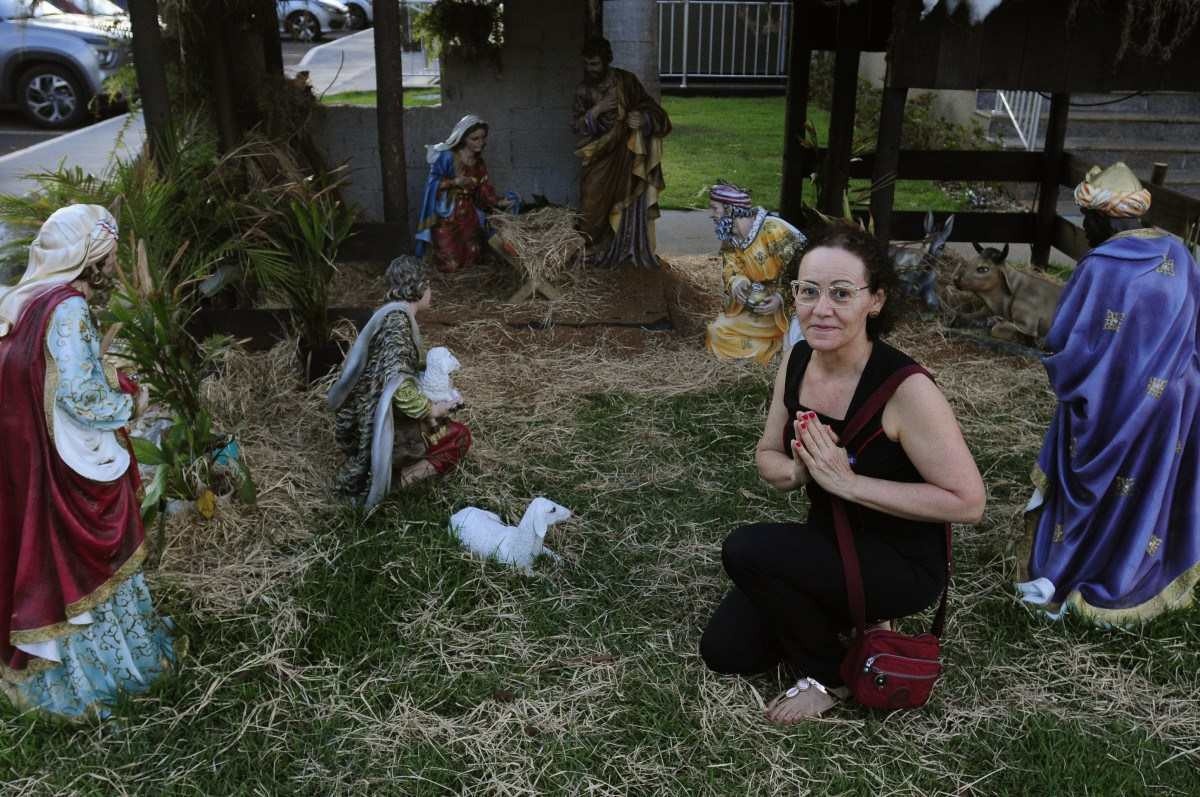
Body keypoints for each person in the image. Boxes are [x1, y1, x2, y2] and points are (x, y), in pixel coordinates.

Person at [699, 223, 985, 724]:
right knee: (726, 652)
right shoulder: (799, 357)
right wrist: (802, 472)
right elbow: (768, 453)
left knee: (745, 548)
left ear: (875, 301)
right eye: (807, 292)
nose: (821, 308)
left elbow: (968, 502)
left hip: (900, 564)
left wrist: (848, 483)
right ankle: (852, 619)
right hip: (830, 544)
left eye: (841, 293)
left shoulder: (906, 389)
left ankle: (829, 674)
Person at [0, 204, 175, 719]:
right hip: (66, 465)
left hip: (29, 455)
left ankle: (51, 673)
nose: (114, 264)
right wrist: (131, 400)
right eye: (110, 253)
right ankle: (104, 675)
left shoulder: (26, 299)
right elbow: (81, 396)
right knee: (85, 557)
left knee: (45, 554)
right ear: (91, 255)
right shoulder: (68, 308)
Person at [1017, 162, 1200, 625]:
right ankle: (1131, 563)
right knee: (1143, 490)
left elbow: (1066, 342)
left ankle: (1073, 568)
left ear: (1102, 219)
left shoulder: (1100, 266)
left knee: (1094, 483)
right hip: (1171, 402)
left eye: (1087, 220)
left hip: (1110, 406)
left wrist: (1059, 366)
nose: (1085, 229)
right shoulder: (1180, 254)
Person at [327, 256, 471, 508]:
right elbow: (398, 385)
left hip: (373, 412)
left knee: (446, 420)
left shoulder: (391, 316)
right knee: (459, 436)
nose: (430, 291)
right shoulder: (397, 324)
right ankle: (396, 483)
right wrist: (432, 409)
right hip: (381, 421)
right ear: (417, 287)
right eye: (428, 284)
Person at [571, 36, 671, 268]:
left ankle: (623, 248)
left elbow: (654, 110)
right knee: (591, 202)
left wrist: (643, 119)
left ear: (606, 61)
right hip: (598, 154)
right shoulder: (583, 90)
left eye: (594, 64)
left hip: (626, 153)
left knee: (625, 198)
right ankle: (591, 250)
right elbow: (575, 127)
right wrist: (597, 110)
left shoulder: (626, 81)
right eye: (586, 64)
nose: (590, 69)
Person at [704, 182, 807, 365]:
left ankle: (781, 350)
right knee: (717, 331)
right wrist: (738, 282)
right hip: (760, 309)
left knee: (798, 342)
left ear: (730, 209)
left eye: (715, 209)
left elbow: (803, 271)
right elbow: (731, 267)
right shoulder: (731, 239)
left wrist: (780, 298)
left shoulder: (774, 231)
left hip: (790, 308)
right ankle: (771, 350)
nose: (712, 215)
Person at [415, 114, 514, 273]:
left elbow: (484, 189)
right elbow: (432, 184)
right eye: (475, 139)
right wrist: (455, 182)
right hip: (446, 215)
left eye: (482, 138)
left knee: (472, 254)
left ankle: (468, 284)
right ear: (462, 138)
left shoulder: (479, 162)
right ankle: (447, 284)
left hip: (468, 214)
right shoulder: (447, 157)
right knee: (449, 261)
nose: (480, 142)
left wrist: (499, 201)